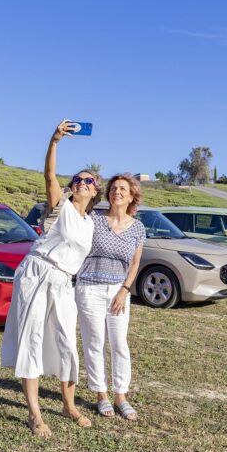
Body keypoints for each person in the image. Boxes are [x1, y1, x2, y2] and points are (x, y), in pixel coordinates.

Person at [1, 120, 102, 437]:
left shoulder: (90, 223)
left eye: (89, 180)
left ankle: (68, 405)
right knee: (31, 339)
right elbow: (49, 176)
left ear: (95, 191)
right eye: (78, 179)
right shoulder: (61, 207)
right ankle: (35, 414)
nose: (82, 182)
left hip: (63, 281)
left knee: (66, 343)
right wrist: (54, 141)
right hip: (38, 272)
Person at [76, 173, 145, 421]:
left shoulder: (137, 228)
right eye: (114, 188)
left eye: (123, 189)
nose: (117, 192)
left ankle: (121, 396)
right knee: (94, 342)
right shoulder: (94, 219)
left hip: (118, 291)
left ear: (132, 195)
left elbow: (135, 264)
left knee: (119, 344)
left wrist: (124, 290)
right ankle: (101, 395)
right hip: (89, 288)